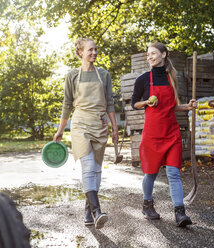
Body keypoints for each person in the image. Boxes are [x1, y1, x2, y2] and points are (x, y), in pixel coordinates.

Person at [53, 38, 119, 229]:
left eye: (96, 49)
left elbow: (110, 103)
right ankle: (97, 210)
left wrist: (115, 128)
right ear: (80, 53)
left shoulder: (104, 75)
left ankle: (88, 209)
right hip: (80, 123)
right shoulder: (72, 76)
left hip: (100, 124)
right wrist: (60, 130)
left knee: (97, 170)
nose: (94, 53)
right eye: (90, 50)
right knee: (88, 166)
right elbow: (67, 104)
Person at [131, 42, 196, 227]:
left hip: (171, 132)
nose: (149, 57)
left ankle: (180, 213)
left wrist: (187, 107)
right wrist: (146, 103)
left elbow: (173, 106)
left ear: (164, 54)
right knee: (150, 174)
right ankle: (147, 205)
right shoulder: (143, 79)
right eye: (148, 54)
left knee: (173, 173)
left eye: (153, 53)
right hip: (152, 134)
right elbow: (133, 103)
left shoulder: (171, 77)